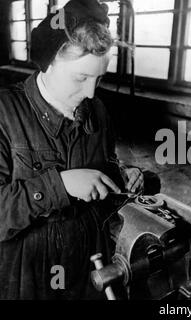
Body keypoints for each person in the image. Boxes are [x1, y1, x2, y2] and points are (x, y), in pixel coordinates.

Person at [0, 0, 145, 299]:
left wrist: (122, 176)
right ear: (48, 62)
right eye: (81, 77)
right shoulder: (4, 113)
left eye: (99, 78)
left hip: (90, 261)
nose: (91, 92)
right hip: (27, 274)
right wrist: (61, 185)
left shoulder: (98, 110)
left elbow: (105, 165)